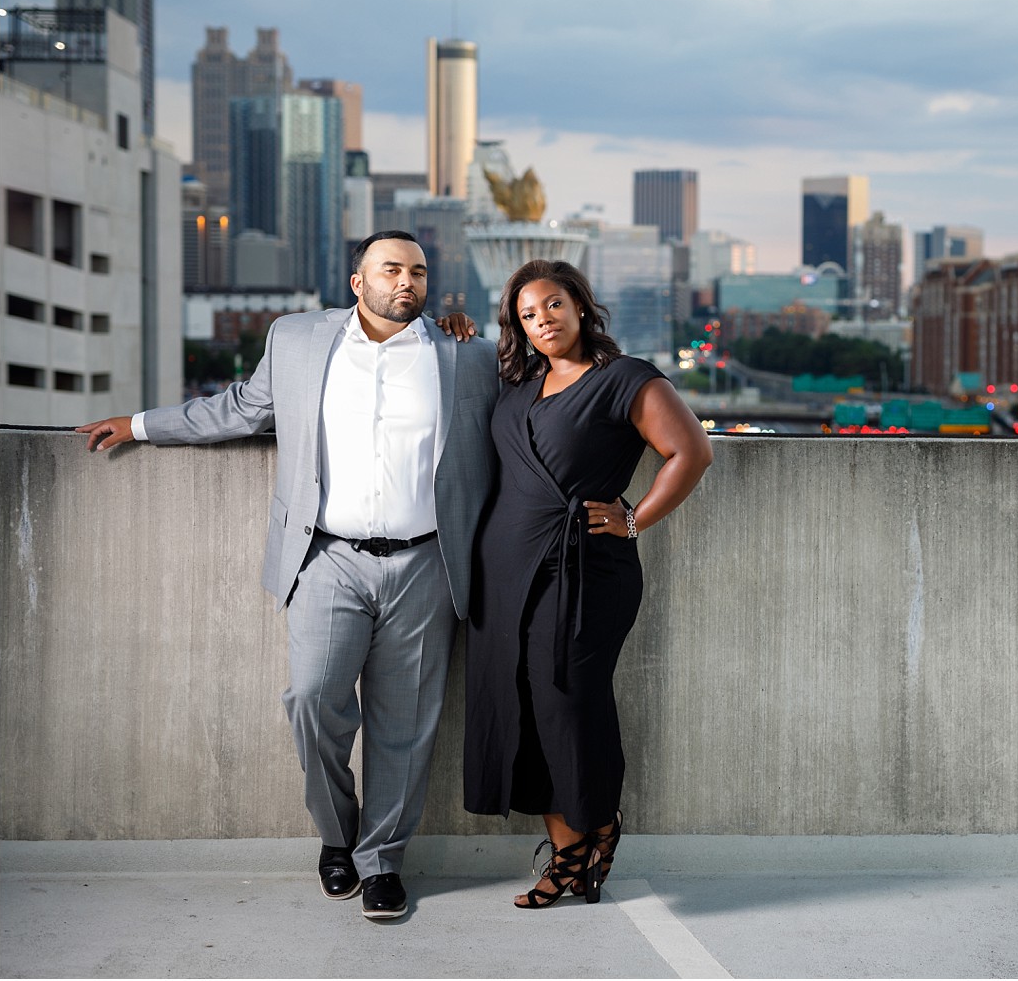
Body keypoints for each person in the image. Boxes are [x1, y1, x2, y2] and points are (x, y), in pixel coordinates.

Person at [76, 230, 498, 922]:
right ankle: (338, 836)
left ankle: (382, 861)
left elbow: (532, 412)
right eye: (391, 269)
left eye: (419, 272)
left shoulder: (468, 354)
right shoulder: (299, 339)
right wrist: (141, 424)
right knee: (311, 698)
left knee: (407, 725)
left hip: (429, 561)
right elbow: (242, 408)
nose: (407, 283)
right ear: (357, 282)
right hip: (325, 555)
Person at [462, 259, 712, 908]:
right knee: (520, 704)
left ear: (579, 305)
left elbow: (691, 451)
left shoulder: (623, 379)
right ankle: (570, 854)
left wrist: (634, 518)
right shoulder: (517, 385)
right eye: (526, 314)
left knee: (568, 700)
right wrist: (452, 332)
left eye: (551, 306)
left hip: (585, 572)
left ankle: (600, 826)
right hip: (506, 573)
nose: (541, 320)